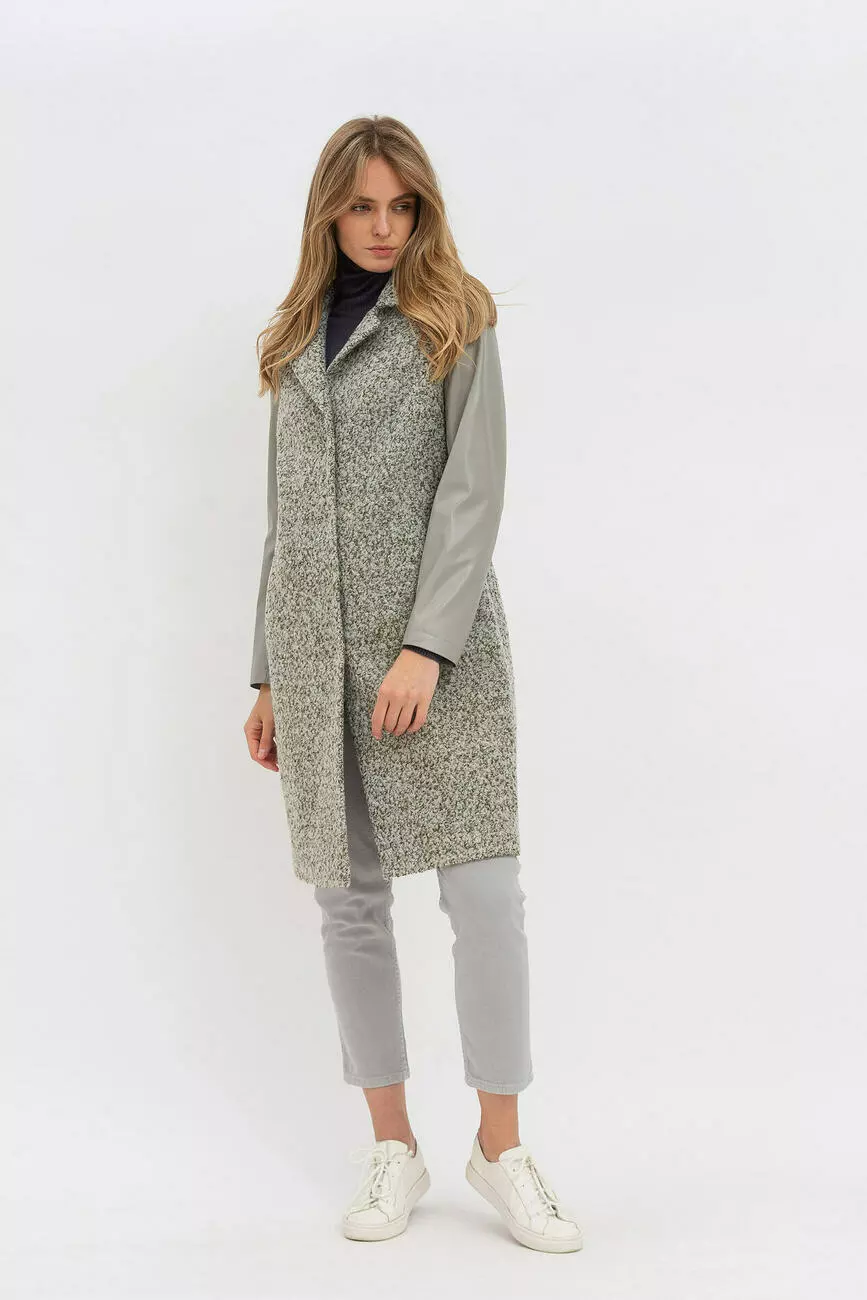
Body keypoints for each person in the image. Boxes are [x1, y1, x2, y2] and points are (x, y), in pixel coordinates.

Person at [242, 115, 582, 1252]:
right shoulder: (291, 341)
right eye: (362, 207)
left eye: (402, 207)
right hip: (315, 659)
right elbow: (286, 523)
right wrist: (268, 675)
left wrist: (426, 648)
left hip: (440, 655)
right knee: (349, 904)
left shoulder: (454, 317)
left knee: (485, 898)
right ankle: (392, 1142)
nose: (383, 228)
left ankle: (502, 1146)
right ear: (328, 214)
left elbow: (472, 494)